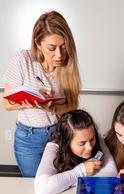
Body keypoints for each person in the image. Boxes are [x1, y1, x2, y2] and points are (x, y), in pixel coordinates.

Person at [2, 11, 81, 177]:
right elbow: (6, 104)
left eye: (64, 46)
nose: (59, 54)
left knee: (59, 184)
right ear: (38, 43)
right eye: (52, 48)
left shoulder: (68, 65)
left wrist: (52, 108)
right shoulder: (23, 59)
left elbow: (72, 105)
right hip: (28, 138)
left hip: (59, 133)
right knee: (35, 187)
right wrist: (30, 100)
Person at [34, 109, 117, 194]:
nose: (90, 147)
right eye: (82, 143)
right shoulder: (54, 146)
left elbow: (111, 172)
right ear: (66, 142)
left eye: (92, 139)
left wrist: (64, 183)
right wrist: (81, 171)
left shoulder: (96, 137)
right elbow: (41, 189)